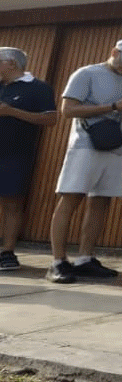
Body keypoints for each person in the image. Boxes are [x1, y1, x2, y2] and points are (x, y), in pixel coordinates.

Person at [45, 37, 122, 284]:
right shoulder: (86, 73)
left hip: (117, 147)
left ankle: (85, 259)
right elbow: (67, 110)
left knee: (101, 201)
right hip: (85, 146)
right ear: (114, 52)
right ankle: (58, 261)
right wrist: (112, 105)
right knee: (70, 198)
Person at [0, 47, 58, 272]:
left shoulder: (38, 88)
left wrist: (12, 112)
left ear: (11, 63)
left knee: (12, 204)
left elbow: (51, 119)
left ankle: (7, 251)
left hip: (16, 155)